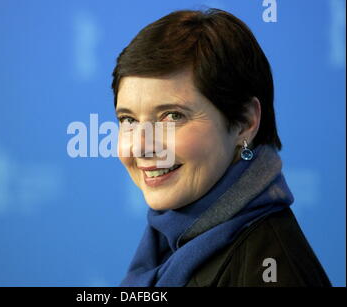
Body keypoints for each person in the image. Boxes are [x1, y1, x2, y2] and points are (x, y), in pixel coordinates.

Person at [111, 8, 331, 287]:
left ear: (243, 122)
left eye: (172, 116)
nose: (141, 147)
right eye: (128, 120)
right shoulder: (169, 241)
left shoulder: (271, 270)